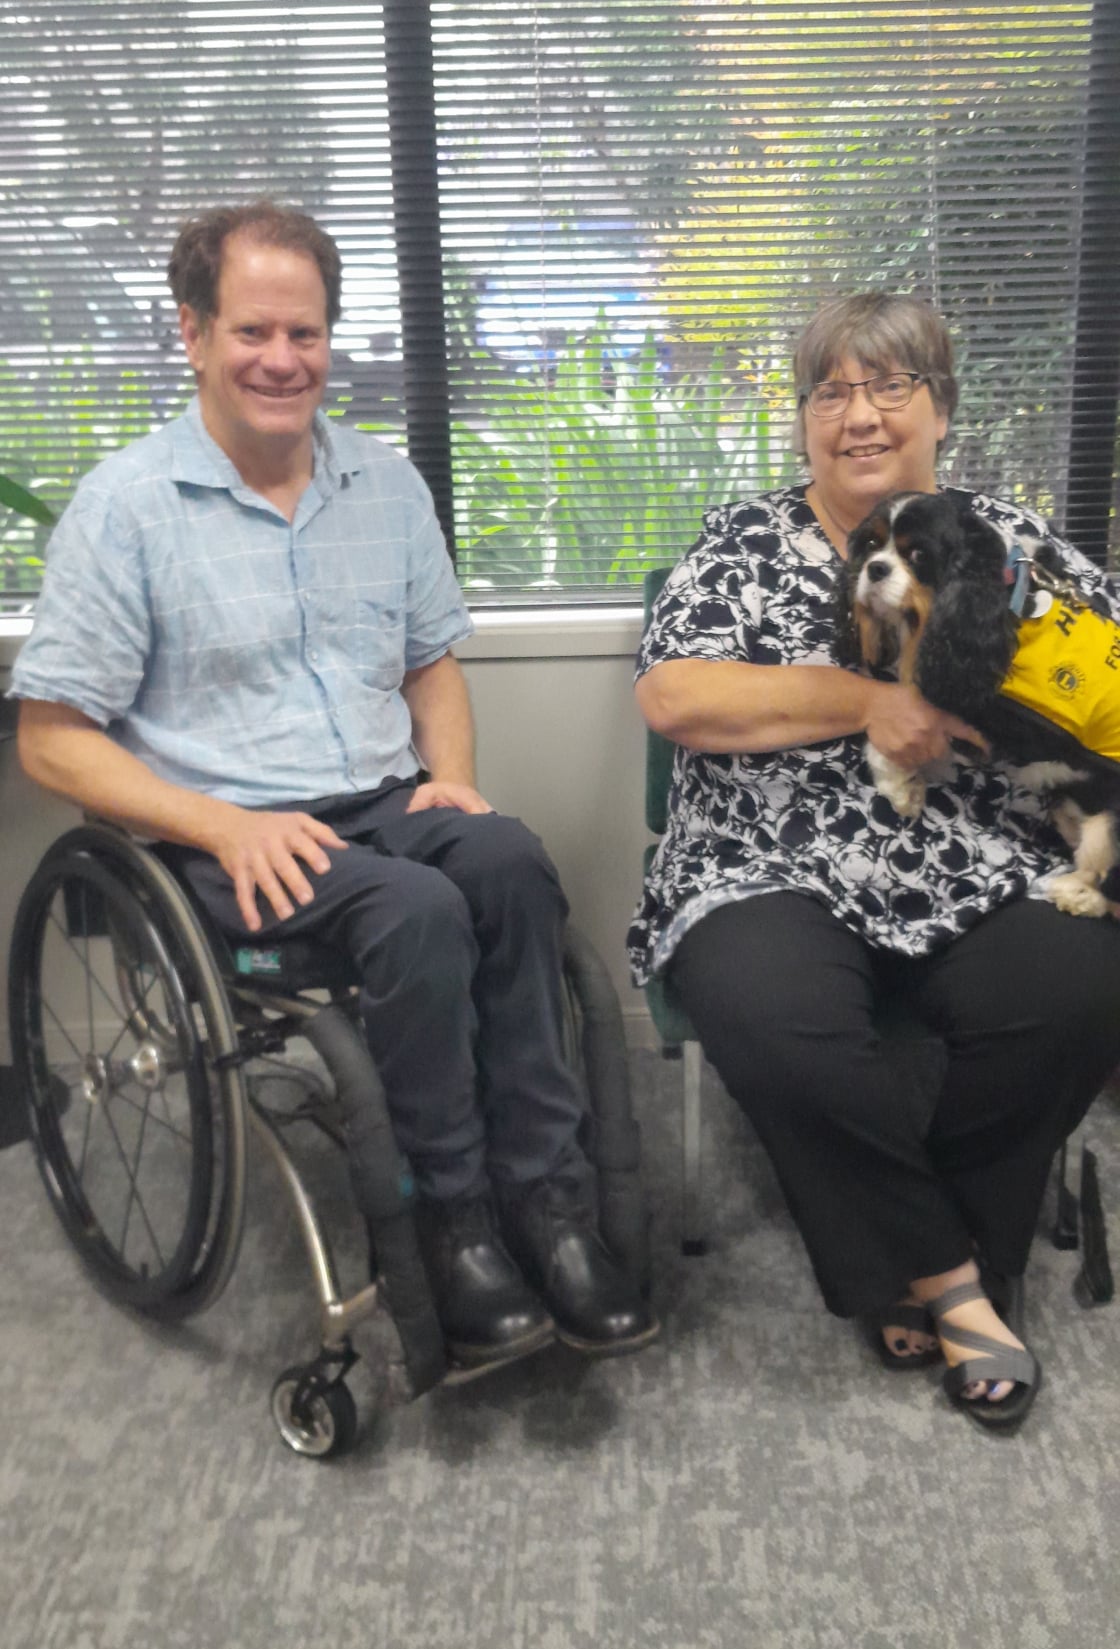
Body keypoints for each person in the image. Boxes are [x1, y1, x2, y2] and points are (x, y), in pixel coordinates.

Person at [10, 200, 656, 1368]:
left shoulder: (386, 485)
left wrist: (453, 779)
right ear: (194, 333)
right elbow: (52, 740)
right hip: (222, 835)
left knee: (506, 859)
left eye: (304, 334)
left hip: (381, 796)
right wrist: (221, 822)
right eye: (253, 330)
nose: (281, 359)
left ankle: (549, 1207)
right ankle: (450, 1222)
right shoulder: (125, 509)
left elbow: (429, 664)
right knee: (412, 913)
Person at [631, 291, 1120, 1433]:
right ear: (802, 420)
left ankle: (913, 1247)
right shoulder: (746, 540)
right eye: (830, 390)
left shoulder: (1010, 539)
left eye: (889, 385)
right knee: (771, 1013)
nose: (859, 414)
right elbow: (674, 693)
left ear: (940, 408)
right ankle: (957, 1279)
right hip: (766, 858)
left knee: (1077, 986)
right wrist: (869, 701)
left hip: (976, 855)